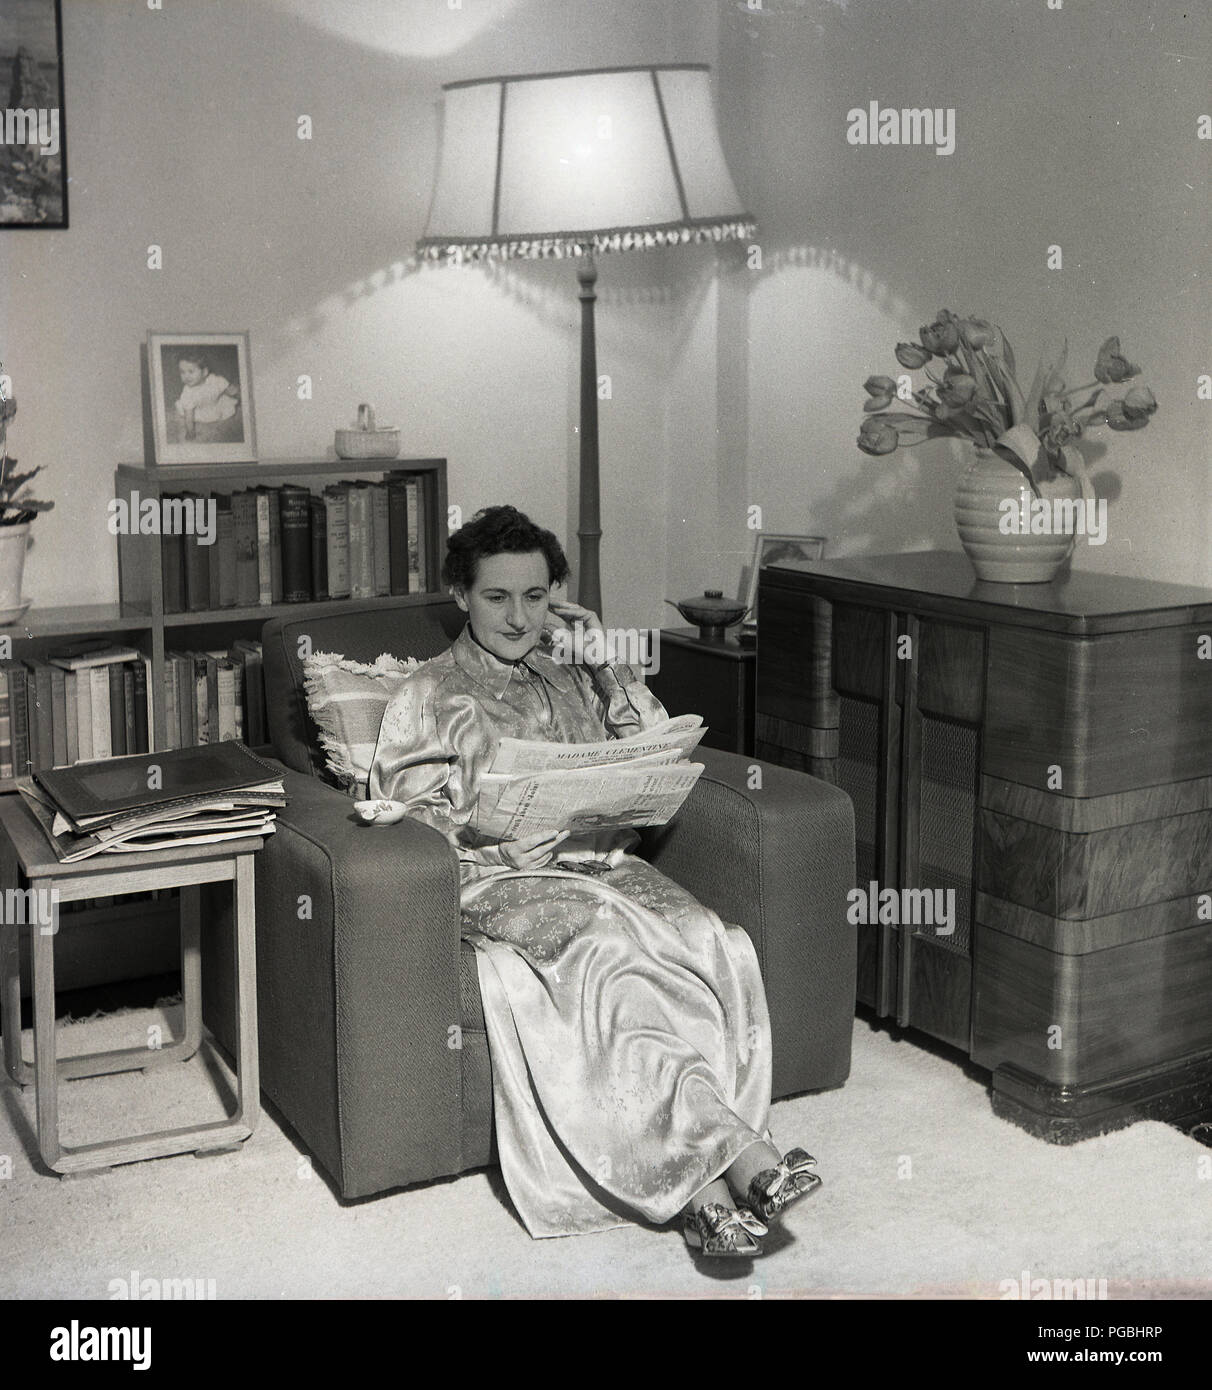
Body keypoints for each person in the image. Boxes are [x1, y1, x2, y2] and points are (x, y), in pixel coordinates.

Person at [365, 505, 821, 1258]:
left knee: (707, 938)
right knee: (606, 953)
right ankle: (734, 1168)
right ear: (460, 596)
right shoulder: (429, 693)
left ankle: (707, 1191)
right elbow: (399, 820)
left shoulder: (573, 672)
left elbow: (650, 746)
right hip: (501, 879)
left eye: (536, 597)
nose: (519, 616)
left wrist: (605, 656)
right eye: (497, 597)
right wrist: (496, 839)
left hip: (604, 864)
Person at [172, 352, 241, 443]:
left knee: (230, 400)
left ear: (204, 372)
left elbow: (229, 390)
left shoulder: (216, 380)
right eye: (182, 372)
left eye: (191, 371)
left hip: (214, 403)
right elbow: (189, 417)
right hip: (202, 410)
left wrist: (237, 393)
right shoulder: (188, 393)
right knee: (184, 409)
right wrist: (190, 431)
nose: (186, 376)